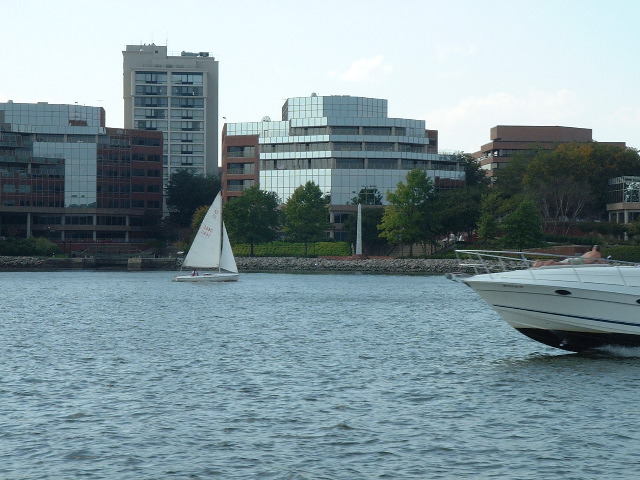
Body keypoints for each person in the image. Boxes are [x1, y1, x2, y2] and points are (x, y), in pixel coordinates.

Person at [533, 245, 602, 267]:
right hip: (580, 262)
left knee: (561, 263)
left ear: (593, 248)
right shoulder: (597, 254)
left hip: (577, 259)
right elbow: (600, 262)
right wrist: (609, 263)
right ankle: (548, 262)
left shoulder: (588, 252)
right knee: (559, 264)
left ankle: (541, 262)